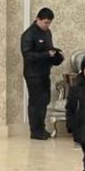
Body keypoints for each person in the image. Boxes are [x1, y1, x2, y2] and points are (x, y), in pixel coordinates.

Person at [20, 8, 64, 140]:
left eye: (49, 23)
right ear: (38, 19)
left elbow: (48, 49)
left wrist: (56, 54)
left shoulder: (47, 32)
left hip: (44, 72)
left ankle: (41, 129)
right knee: (36, 102)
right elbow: (27, 55)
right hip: (33, 74)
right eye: (45, 22)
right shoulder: (28, 34)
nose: (47, 25)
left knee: (44, 101)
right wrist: (46, 54)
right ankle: (35, 132)